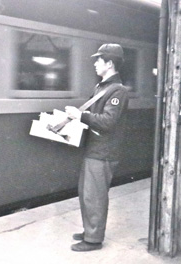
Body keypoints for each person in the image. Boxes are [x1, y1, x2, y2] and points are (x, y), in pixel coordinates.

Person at [65, 43, 129, 251]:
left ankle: (93, 239)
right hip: (94, 149)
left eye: (98, 60)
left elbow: (108, 121)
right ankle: (90, 230)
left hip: (104, 152)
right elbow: (95, 119)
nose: (95, 64)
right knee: (87, 193)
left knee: (95, 196)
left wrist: (81, 115)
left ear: (109, 63)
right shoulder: (102, 87)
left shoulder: (117, 91)